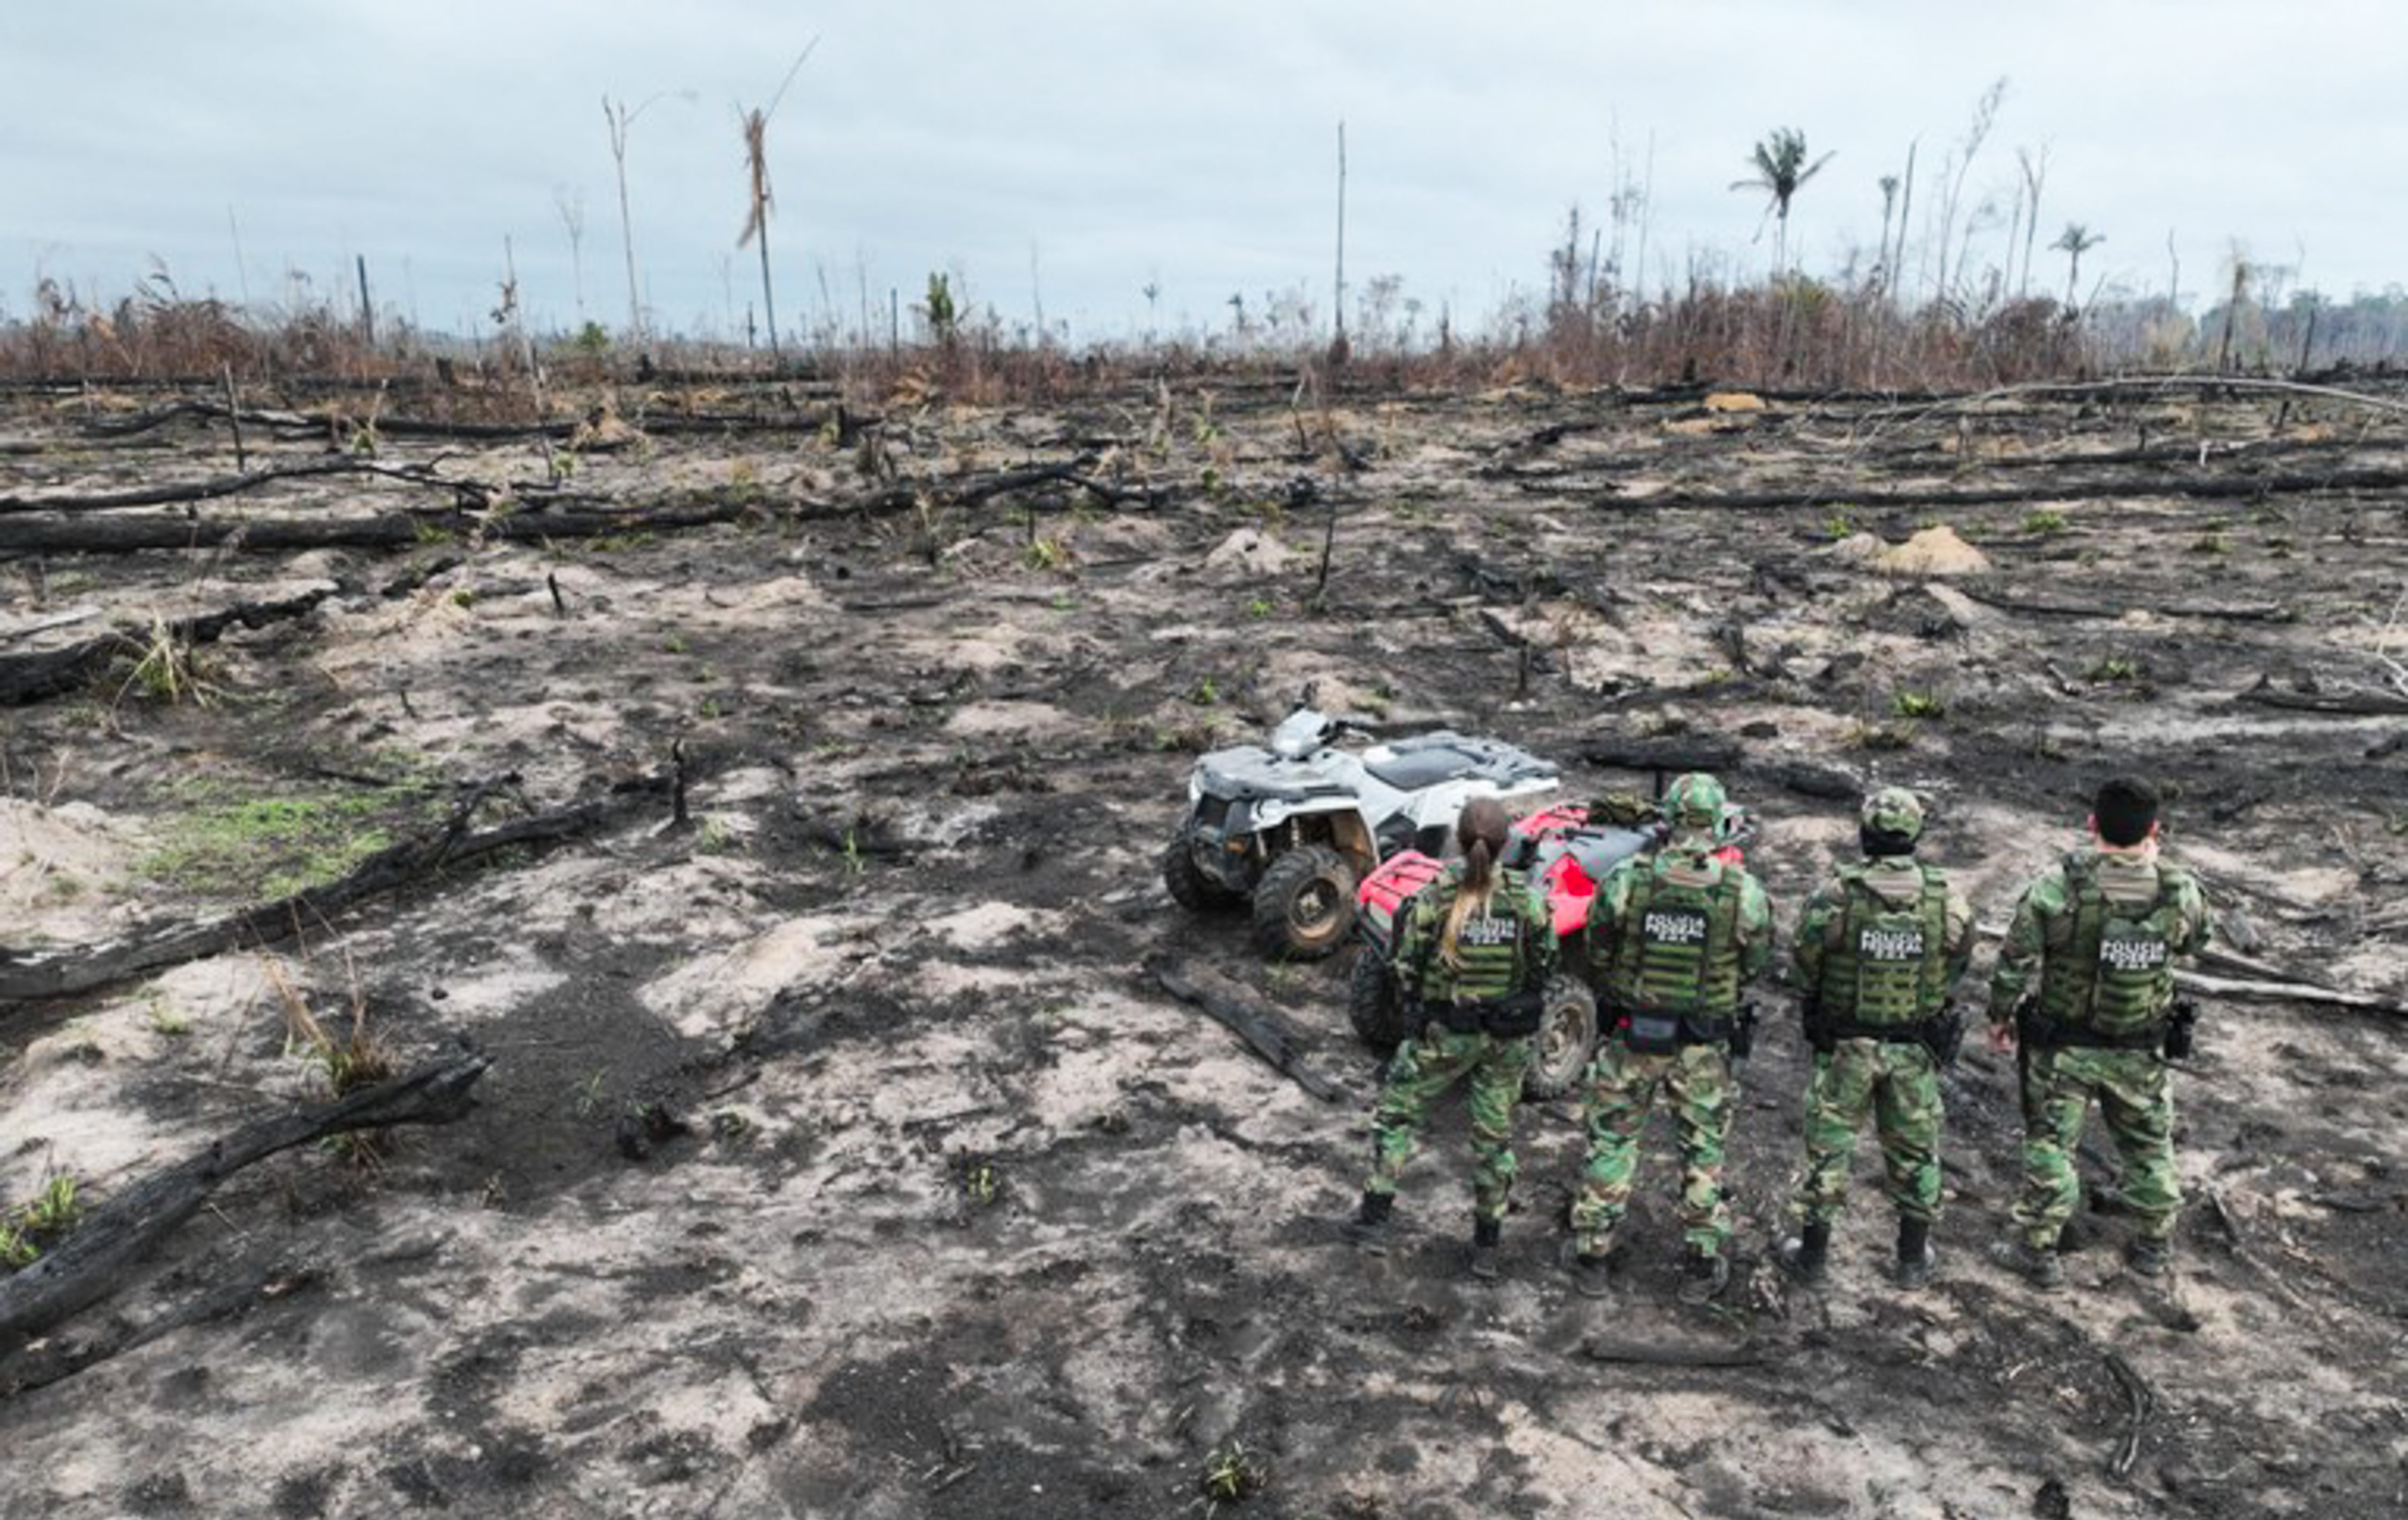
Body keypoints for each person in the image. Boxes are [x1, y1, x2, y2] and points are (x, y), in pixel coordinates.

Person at [1985, 776, 2213, 1290]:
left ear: (2092, 825)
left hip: (2063, 1048)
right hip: (2140, 1045)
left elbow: (2016, 958)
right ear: (2155, 830)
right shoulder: (2179, 890)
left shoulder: (2057, 887)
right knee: (2149, 1144)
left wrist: (1999, 1016)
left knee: (2049, 1144)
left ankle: (2038, 1250)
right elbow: (2199, 938)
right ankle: (2154, 1244)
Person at [1566, 773, 1774, 1303]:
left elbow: (1598, 944)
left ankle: (1592, 1253)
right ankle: (1701, 1264)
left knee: (1612, 1139)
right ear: (1717, 821)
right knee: (1703, 1149)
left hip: (1635, 1034)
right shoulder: (1741, 891)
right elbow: (1755, 961)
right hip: (1702, 1044)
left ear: (1670, 819)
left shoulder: (1628, 878)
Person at [1342, 795, 1557, 1279]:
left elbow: (1404, 965)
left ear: (1459, 841)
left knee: (1397, 1115)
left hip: (1444, 1033)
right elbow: (1545, 965)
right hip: (1505, 1038)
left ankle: (1373, 1221)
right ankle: (1487, 1248)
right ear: (1506, 846)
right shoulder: (1528, 899)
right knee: (1493, 1138)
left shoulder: (1435, 896)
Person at [1774, 787, 1973, 1289]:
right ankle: (1911, 1261)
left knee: (1829, 1148)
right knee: (1915, 1150)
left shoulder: (1835, 895)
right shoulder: (1946, 898)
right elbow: (1959, 962)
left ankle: (1814, 1260)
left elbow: (1804, 963)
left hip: (1846, 1046)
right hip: (1914, 1047)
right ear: (1917, 836)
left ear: (1866, 834)